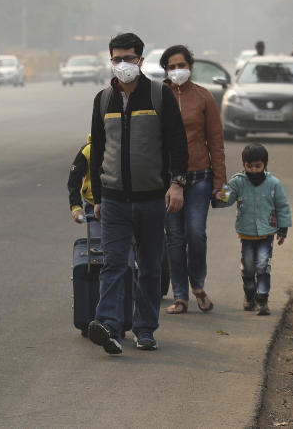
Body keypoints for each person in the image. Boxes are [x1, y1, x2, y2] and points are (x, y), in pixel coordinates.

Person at [87, 32, 188, 354]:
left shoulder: (159, 96)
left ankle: (145, 329)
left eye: (129, 58)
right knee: (114, 265)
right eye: (116, 59)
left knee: (149, 268)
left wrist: (177, 184)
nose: (123, 64)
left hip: (151, 199)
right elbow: (97, 149)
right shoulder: (104, 100)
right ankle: (110, 327)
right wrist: (99, 198)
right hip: (115, 199)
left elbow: (177, 143)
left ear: (141, 60)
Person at [159, 45, 226, 315]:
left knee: (195, 233)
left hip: (199, 178)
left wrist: (219, 184)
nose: (177, 71)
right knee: (174, 238)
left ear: (191, 66)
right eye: (172, 67)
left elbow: (216, 142)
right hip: (166, 181)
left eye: (181, 65)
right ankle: (180, 296)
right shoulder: (158, 97)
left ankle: (197, 285)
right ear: (165, 70)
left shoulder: (203, 97)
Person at [214, 143, 292, 316]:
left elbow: (283, 206)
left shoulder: (273, 183)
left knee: (263, 266)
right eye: (250, 166)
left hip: (266, 234)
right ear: (244, 165)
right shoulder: (236, 182)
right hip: (246, 234)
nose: (254, 170)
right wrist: (218, 196)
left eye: (258, 166)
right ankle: (250, 296)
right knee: (248, 267)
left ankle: (262, 299)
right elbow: (225, 198)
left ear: (265, 164)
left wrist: (283, 229)